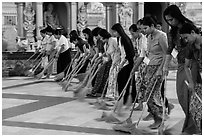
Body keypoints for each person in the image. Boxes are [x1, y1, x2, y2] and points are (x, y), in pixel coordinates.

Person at [163, 4, 200, 134]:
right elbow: (169, 49)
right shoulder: (172, 32)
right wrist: (165, 65)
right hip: (181, 64)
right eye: (167, 20)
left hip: (192, 64)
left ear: (177, 16)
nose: (169, 22)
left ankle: (192, 126)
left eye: (171, 19)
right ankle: (193, 124)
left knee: (192, 96)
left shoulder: (190, 27)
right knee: (181, 95)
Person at [139, 16, 168, 129]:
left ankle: (160, 117)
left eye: (145, 28)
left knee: (151, 94)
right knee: (150, 94)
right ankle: (157, 117)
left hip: (159, 68)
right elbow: (149, 54)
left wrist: (161, 69)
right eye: (142, 29)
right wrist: (146, 67)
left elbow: (167, 54)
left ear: (152, 26)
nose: (143, 31)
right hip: (150, 67)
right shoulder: (149, 37)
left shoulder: (161, 36)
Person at [179, 23, 202, 134]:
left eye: (186, 37)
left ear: (193, 32)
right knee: (194, 109)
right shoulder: (190, 47)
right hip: (198, 80)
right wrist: (191, 82)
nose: (186, 40)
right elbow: (186, 66)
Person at [111, 23, 136, 106]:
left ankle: (126, 99)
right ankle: (122, 98)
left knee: (123, 80)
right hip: (123, 61)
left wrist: (122, 63)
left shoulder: (125, 39)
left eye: (114, 32)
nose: (113, 34)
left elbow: (129, 53)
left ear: (118, 31)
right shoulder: (119, 39)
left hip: (128, 63)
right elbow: (121, 53)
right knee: (121, 80)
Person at [129, 24, 148, 111]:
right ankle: (140, 104)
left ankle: (164, 104)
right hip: (140, 64)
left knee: (146, 86)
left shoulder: (144, 39)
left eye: (133, 33)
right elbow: (138, 53)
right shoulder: (137, 40)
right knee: (139, 84)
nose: (132, 36)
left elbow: (143, 55)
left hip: (146, 64)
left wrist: (134, 67)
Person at [98, 29, 121, 99]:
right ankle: (111, 94)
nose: (100, 39)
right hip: (113, 61)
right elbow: (109, 56)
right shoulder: (105, 45)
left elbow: (119, 51)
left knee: (115, 78)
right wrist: (105, 60)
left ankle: (116, 95)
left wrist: (117, 61)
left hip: (118, 62)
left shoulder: (113, 40)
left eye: (101, 37)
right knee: (111, 77)